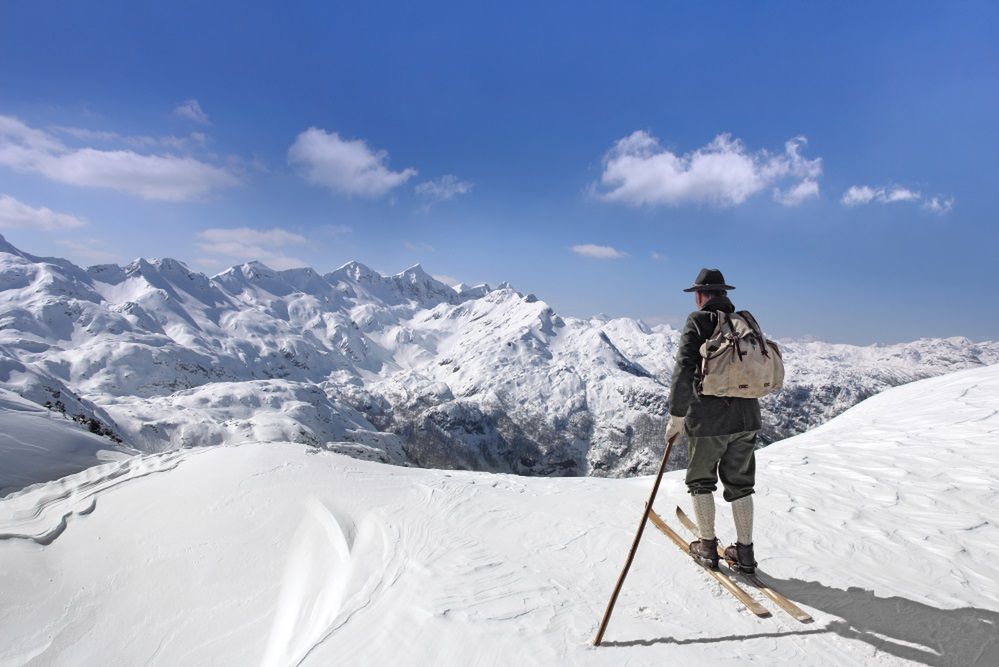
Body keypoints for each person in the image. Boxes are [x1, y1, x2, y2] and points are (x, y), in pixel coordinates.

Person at [664, 268, 761, 574]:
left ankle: (707, 548)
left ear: (699, 296)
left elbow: (684, 371)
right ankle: (745, 554)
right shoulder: (745, 321)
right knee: (741, 485)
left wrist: (677, 416)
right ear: (724, 294)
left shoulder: (698, 321)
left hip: (708, 422)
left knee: (701, 481)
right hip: (747, 418)